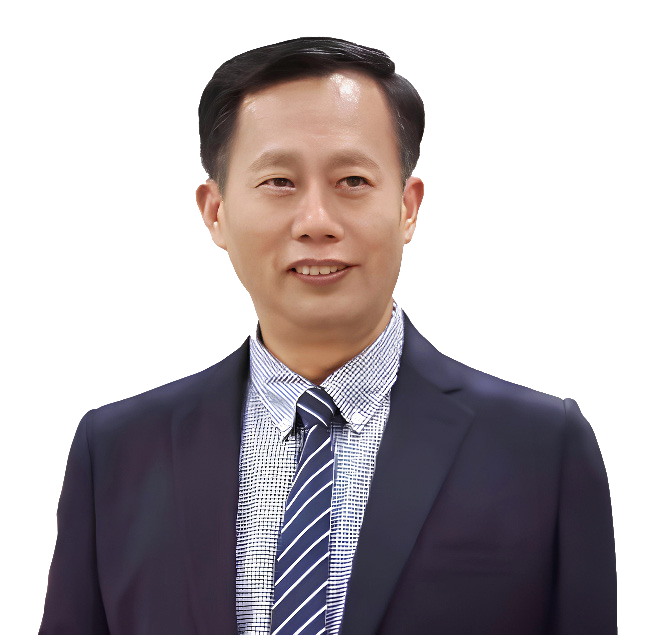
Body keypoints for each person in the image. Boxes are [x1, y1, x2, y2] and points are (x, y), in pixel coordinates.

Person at [39, 37, 616, 635]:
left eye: (353, 180)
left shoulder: (542, 446)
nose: (317, 222)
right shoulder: (117, 451)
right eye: (279, 181)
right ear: (215, 212)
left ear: (408, 207)